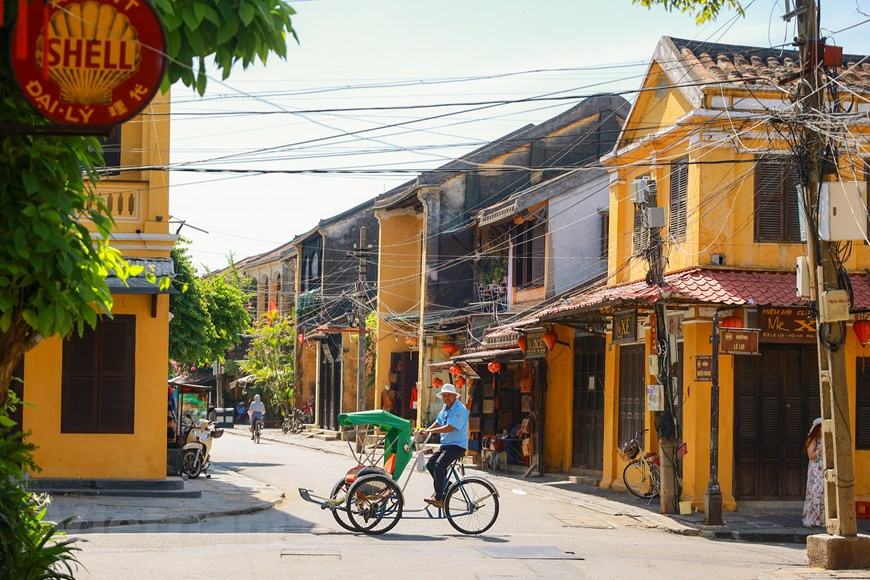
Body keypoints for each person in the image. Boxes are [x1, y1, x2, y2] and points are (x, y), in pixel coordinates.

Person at [421, 383, 469, 508]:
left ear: (455, 396)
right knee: (430, 464)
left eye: (449, 395)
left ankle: (439, 498)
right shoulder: (445, 407)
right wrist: (427, 430)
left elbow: (450, 427)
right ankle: (448, 487)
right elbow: (439, 422)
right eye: (444, 395)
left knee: (439, 465)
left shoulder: (460, 410)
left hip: (457, 446)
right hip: (446, 445)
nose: (446, 397)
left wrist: (431, 431)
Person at [802, 417, 824, 528]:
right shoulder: (812, 440)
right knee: (814, 493)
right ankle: (809, 519)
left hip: (824, 469)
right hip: (815, 470)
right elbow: (811, 456)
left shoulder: (825, 439)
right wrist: (821, 449)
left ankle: (821, 520)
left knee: (824, 494)